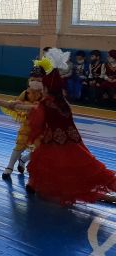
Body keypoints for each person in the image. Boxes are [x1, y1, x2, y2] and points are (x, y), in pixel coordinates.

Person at [25, 49, 116, 205]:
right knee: (82, 170)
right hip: (73, 142)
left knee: (46, 164)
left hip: (53, 143)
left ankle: (36, 185)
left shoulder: (45, 104)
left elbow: (36, 125)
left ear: (46, 88)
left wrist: (33, 135)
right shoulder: (64, 103)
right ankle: (106, 195)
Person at [0, 66, 45, 179]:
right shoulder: (25, 93)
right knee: (20, 144)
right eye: (33, 79)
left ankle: (24, 159)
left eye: (38, 80)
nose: (35, 82)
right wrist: (17, 104)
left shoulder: (45, 94)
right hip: (27, 123)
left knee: (41, 148)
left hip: (42, 125)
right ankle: (9, 167)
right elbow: (17, 103)